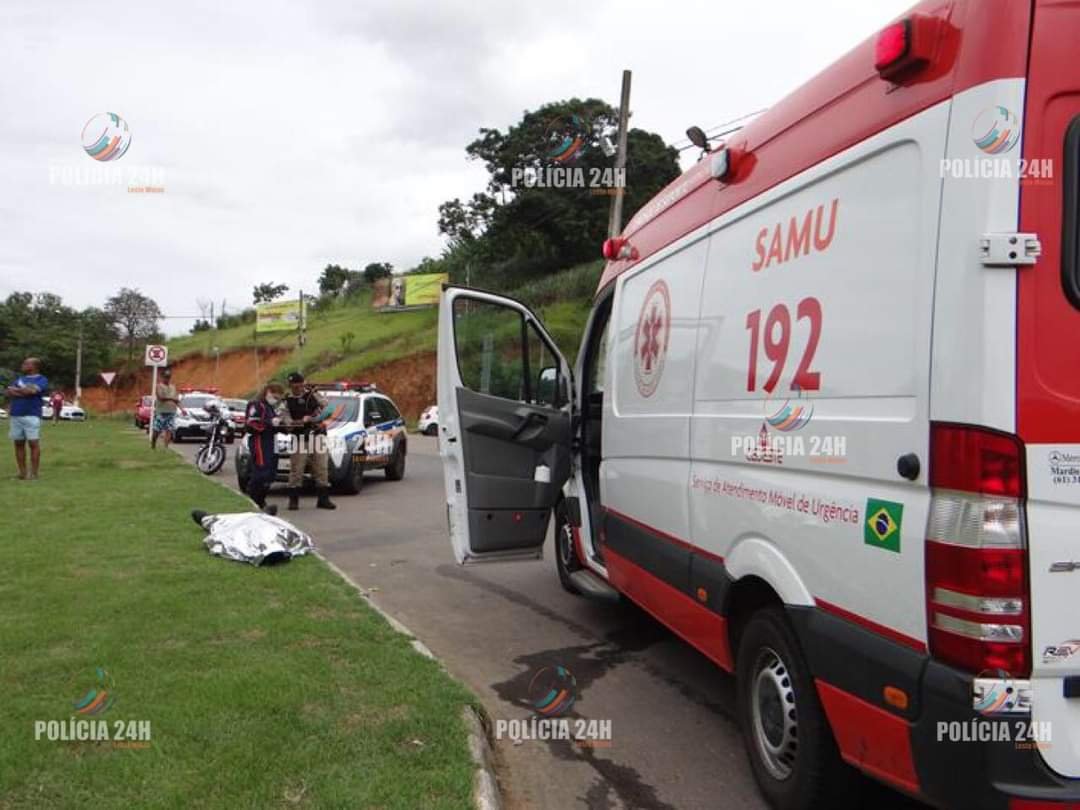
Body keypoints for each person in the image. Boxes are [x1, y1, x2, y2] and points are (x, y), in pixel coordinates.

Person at [284, 371, 336, 511]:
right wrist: (298, 422)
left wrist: (315, 418)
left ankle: (323, 499)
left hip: (317, 435)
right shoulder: (287, 400)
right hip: (300, 437)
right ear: (290, 386)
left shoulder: (312, 395)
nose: (297, 389)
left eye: (300, 385)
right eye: (294, 386)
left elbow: (329, 408)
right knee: (297, 469)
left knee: (321, 468)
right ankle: (293, 500)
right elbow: (285, 419)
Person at [244, 382, 284, 515]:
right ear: (268, 392)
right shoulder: (257, 405)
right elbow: (251, 423)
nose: (276, 400)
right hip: (259, 440)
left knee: (270, 473)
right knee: (261, 471)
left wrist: (283, 426)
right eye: (275, 397)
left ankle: (261, 501)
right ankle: (253, 501)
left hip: (271, 440)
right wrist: (270, 423)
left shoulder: (269, 407)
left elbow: (274, 425)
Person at [5, 357, 49, 480]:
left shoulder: (42, 379)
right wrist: (24, 391)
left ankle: (34, 474)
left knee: (33, 443)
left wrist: (18, 391)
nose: (23, 365)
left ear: (34, 366)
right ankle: (22, 473)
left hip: (32, 414)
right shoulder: (20, 379)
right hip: (16, 414)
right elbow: (8, 392)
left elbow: (32, 391)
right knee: (18, 444)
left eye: (26, 363)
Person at [151, 367, 180, 450]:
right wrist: (171, 399)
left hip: (171, 411)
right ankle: (153, 445)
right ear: (162, 377)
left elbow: (176, 399)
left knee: (169, 430)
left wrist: (182, 408)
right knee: (157, 430)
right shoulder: (159, 386)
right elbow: (160, 398)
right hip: (161, 412)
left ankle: (166, 447)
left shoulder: (173, 387)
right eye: (166, 377)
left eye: (169, 377)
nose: (167, 378)